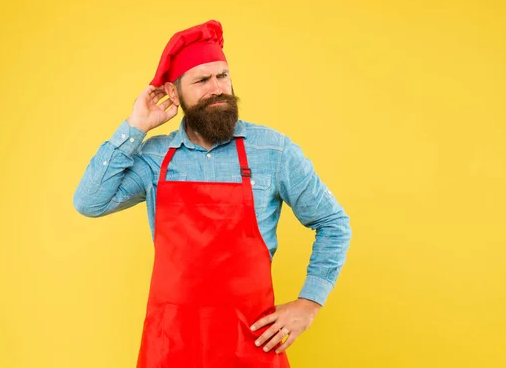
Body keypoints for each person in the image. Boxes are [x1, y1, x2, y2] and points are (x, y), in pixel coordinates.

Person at [73, 20, 351, 367]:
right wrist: (135, 127)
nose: (217, 89)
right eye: (202, 81)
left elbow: (333, 222)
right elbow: (89, 202)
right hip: (170, 344)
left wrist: (309, 304)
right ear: (174, 94)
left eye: (222, 75)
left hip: (250, 342)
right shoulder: (155, 157)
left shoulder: (273, 150)